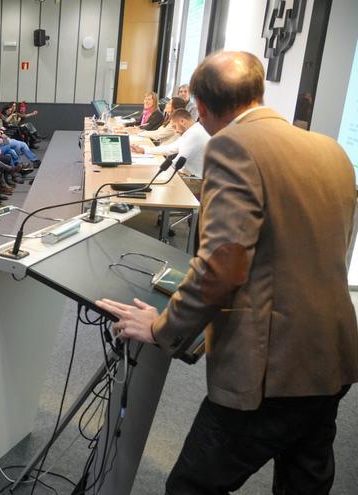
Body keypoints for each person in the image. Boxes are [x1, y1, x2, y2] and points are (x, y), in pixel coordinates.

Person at [96, 51, 358, 494]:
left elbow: (223, 265)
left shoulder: (233, 147)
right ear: (258, 91)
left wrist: (163, 328)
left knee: (192, 486)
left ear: (200, 106)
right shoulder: (330, 149)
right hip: (330, 354)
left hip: (269, 368)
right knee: (304, 481)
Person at [131, 108, 211, 186]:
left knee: (155, 185)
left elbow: (176, 164)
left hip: (196, 181)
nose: (175, 131)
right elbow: (170, 148)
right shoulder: (193, 130)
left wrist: (148, 169)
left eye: (174, 126)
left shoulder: (195, 134)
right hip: (190, 176)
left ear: (182, 121)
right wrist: (144, 150)